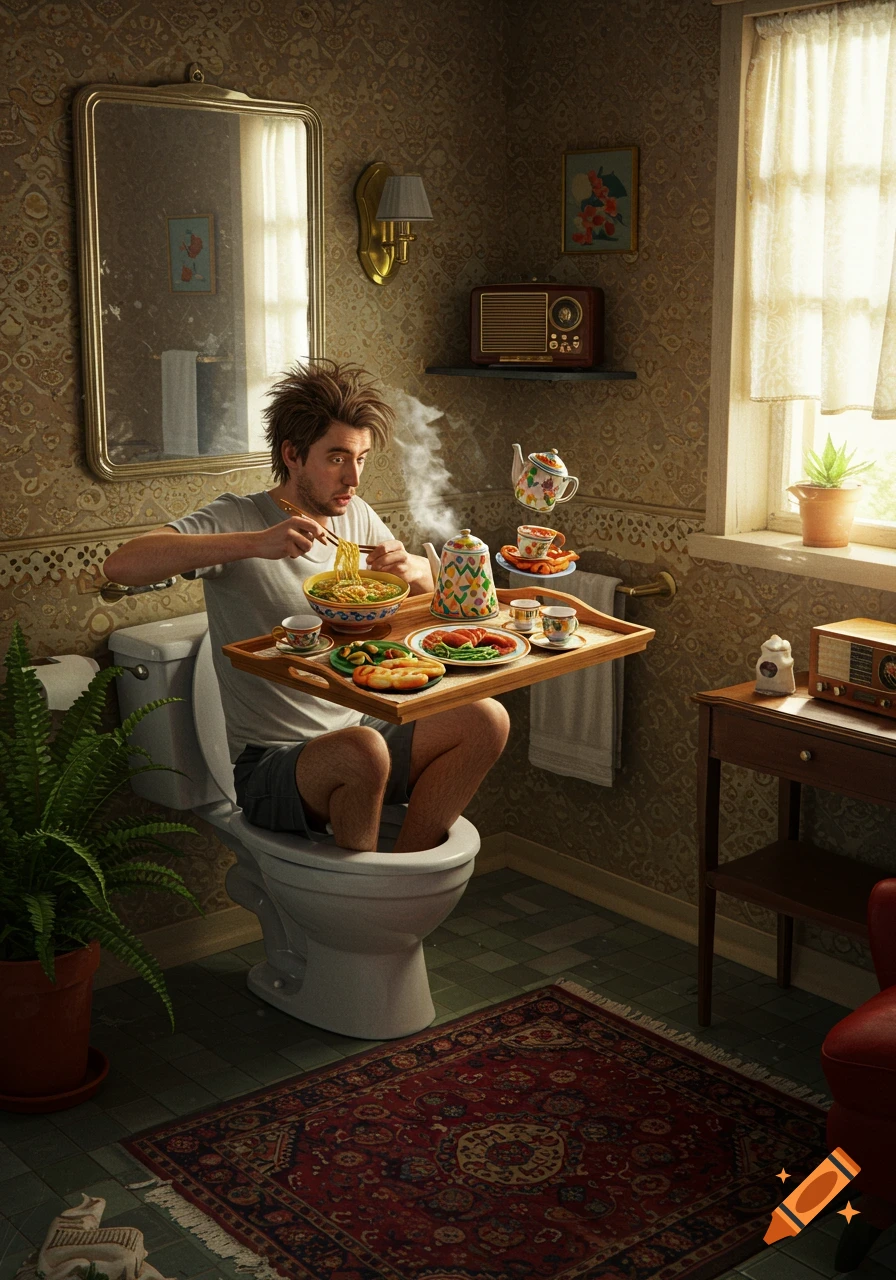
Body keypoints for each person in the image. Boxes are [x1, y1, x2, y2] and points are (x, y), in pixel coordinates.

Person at [103, 359, 509, 854]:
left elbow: (431, 601)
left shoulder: (354, 514)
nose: (353, 477)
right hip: (271, 763)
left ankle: (395, 873)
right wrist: (255, 543)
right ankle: (357, 906)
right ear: (292, 454)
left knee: (486, 720)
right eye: (337, 458)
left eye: (360, 459)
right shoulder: (239, 516)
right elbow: (122, 564)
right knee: (364, 750)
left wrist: (417, 572)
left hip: (359, 729)